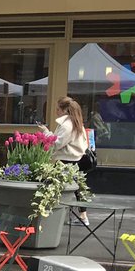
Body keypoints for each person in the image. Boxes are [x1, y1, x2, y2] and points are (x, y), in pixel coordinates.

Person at [43, 95, 90, 224]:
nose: (56, 111)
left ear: (64, 110)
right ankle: (83, 216)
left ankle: (49, 215)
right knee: (78, 188)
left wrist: (46, 133)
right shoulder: (75, 122)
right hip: (75, 159)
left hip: (66, 160)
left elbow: (58, 143)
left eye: (58, 109)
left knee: (51, 185)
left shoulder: (67, 125)